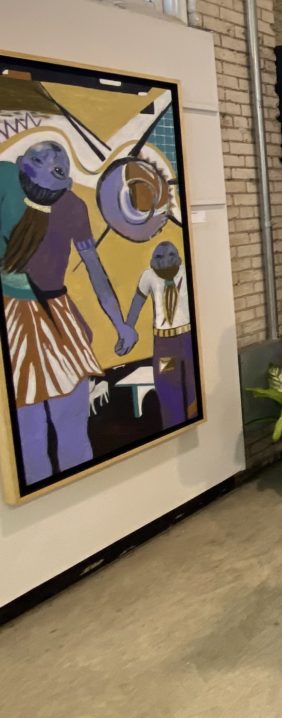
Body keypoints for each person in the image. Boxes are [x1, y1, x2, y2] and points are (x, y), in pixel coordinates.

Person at [0, 141, 138, 485]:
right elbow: (94, 268)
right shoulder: (5, 179)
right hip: (22, 318)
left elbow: (94, 269)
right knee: (31, 430)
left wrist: (120, 323)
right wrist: (120, 324)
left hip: (55, 317)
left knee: (63, 426)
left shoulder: (72, 206)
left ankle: (79, 493)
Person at [124, 241, 198, 429]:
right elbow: (137, 303)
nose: (166, 260)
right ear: (153, 261)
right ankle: (174, 427)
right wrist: (128, 329)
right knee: (168, 387)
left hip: (188, 339)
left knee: (193, 385)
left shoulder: (187, 271)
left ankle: (195, 426)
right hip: (165, 344)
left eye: (171, 255)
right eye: (160, 257)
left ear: (178, 257)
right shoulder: (148, 276)